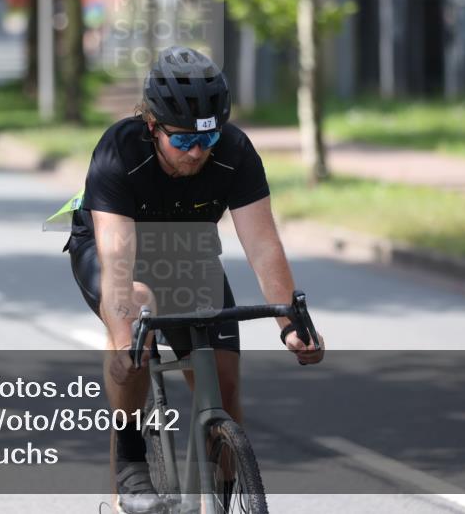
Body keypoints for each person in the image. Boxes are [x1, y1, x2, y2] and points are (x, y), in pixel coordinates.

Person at [65, 46, 325, 513]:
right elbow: (118, 259)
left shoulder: (235, 152)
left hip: (187, 251)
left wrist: (290, 322)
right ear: (152, 125)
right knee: (136, 319)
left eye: (208, 139)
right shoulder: (121, 149)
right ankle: (129, 460)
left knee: (223, 384)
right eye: (184, 142)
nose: (198, 152)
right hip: (113, 247)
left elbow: (263, 245)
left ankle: (221, 501)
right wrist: (126, 337)